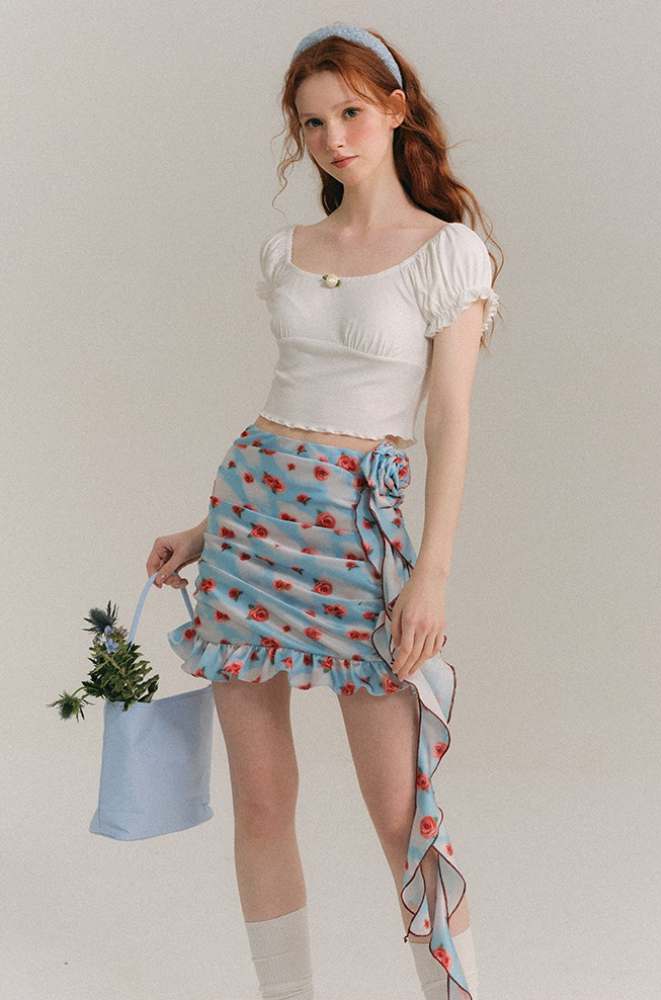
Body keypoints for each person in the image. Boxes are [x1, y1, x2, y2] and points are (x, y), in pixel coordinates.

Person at [146, 21, 502, 1000]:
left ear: (395, 109)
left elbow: (450, 419)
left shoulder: (448, 253)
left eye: (350, 112)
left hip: (357, 536)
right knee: (262, 804)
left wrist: (431, 573)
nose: (334, 137)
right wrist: (203, 533)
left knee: (400, 814)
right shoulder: (288, 250)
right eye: (312, 122)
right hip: (250, 525)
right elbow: (291, 400)